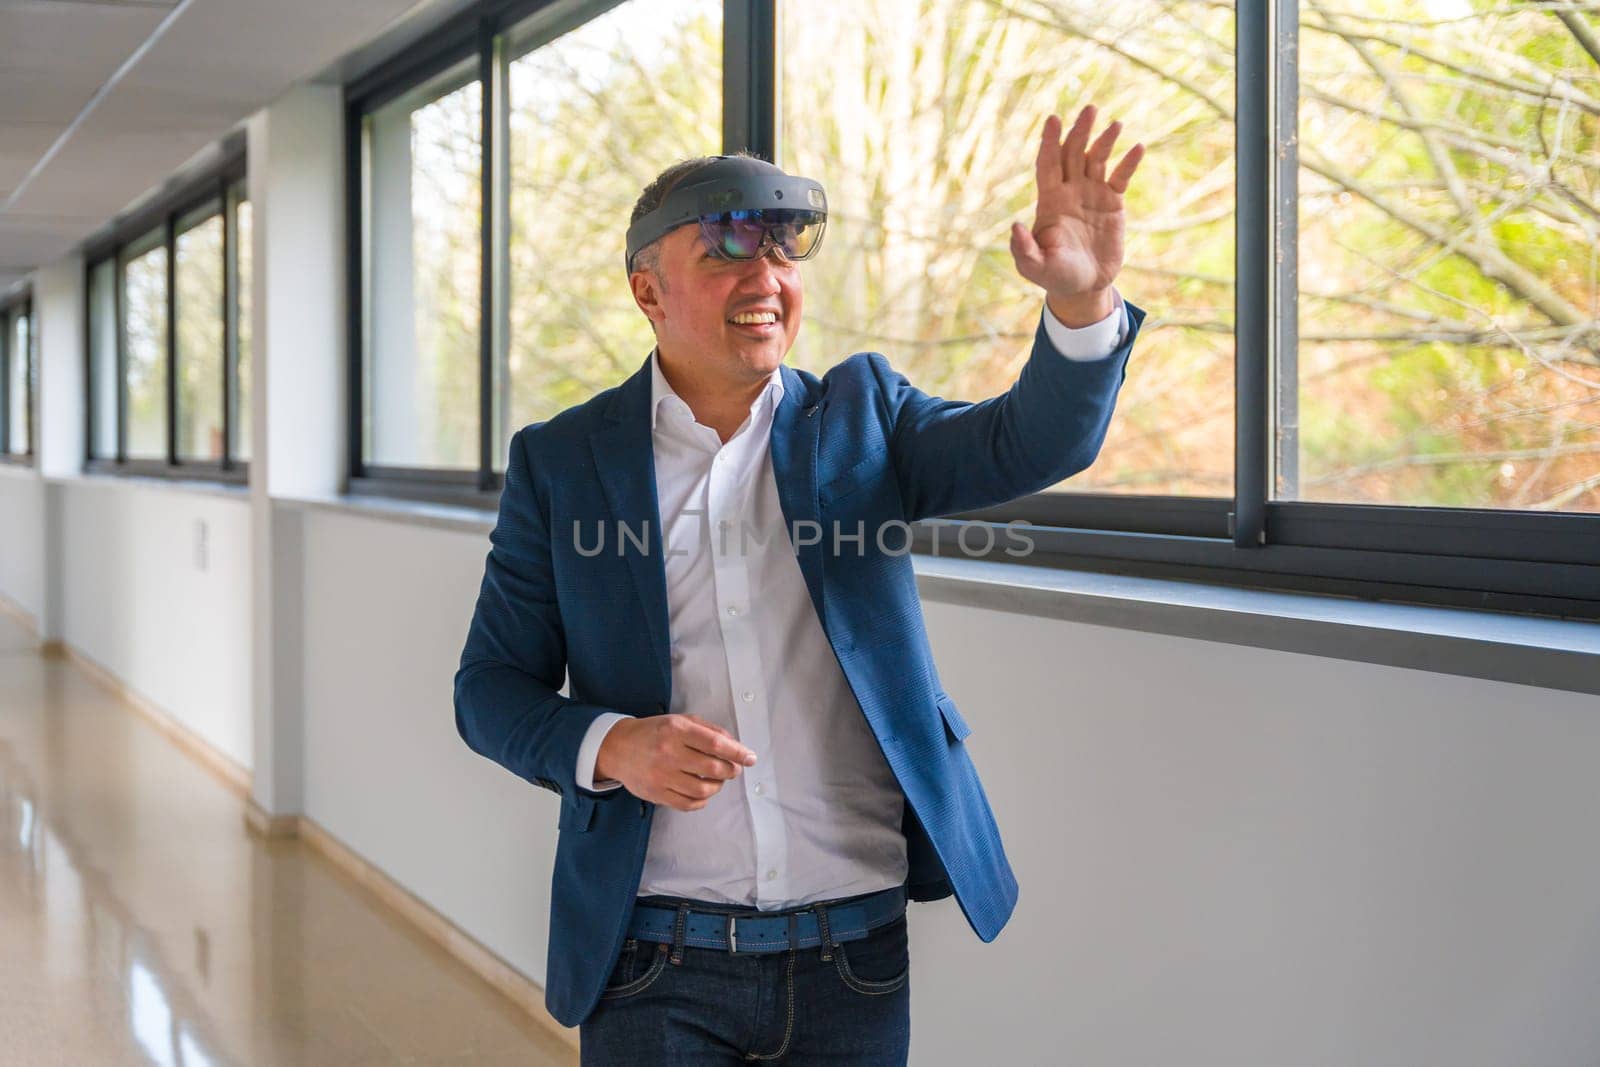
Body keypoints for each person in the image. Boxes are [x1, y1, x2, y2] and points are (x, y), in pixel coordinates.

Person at [454, 103, 1146, 1064]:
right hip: (654, 959)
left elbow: (1030, 439)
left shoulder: (864, 418)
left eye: (783, 254)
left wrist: (1080, 306)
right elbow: (488, 690)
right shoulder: (564, 464)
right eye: (727, 254)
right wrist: (613, 744)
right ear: (648, 291)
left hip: (850, 960)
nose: (767, 280)